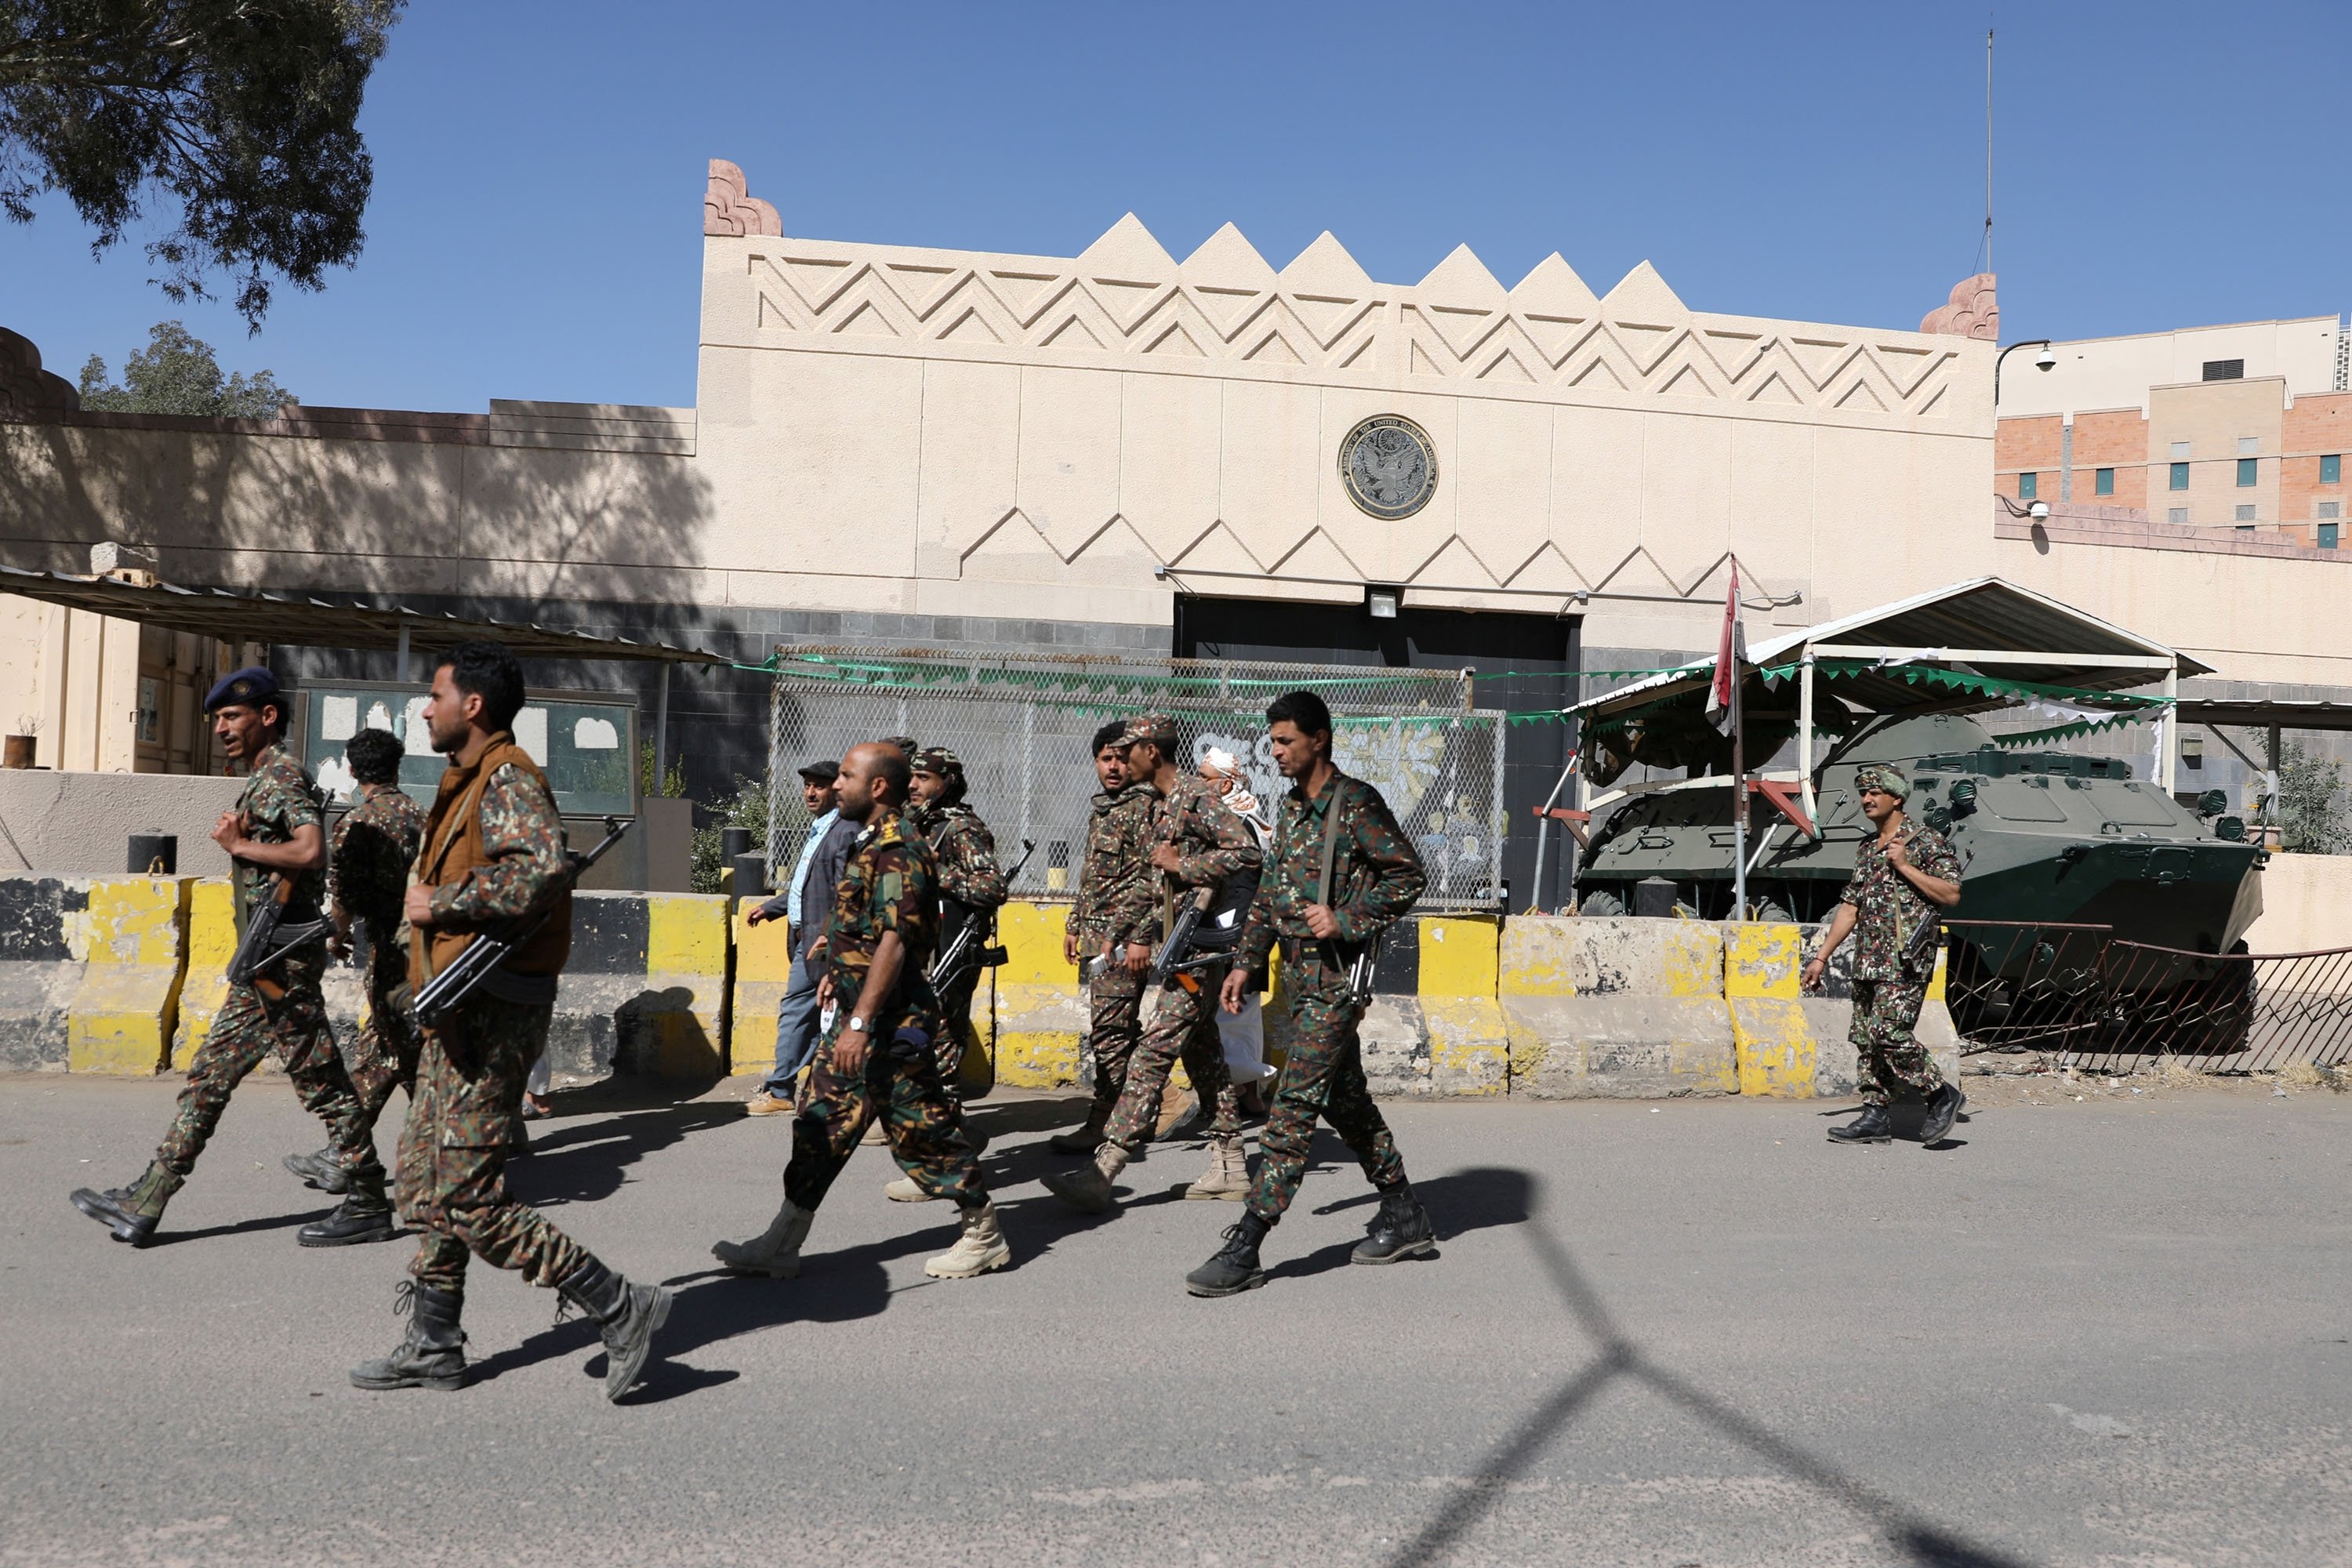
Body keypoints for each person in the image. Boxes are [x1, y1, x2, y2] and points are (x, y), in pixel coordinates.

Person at [349, 642, 670, 1401]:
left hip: (492, 1014)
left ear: (474, 706)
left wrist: (441, 900)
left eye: (436, 694)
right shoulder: (464, 782)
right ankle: (433, 1340)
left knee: (468, 1194)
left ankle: (619, 1301)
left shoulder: (506, 777)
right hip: (455, 1011)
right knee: (427, 1179)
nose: (424, 708)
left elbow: (540, 867)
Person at [71, 667, 386, 1249]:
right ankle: (148, 1198)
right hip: (268, 958)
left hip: (280, 961)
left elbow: (311, 849)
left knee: (313, 1082)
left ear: (267, 716)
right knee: (218, 1080)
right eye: (217, 719)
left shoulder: (280, 776)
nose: (221, 728)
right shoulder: (267, 777)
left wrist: (239, 845)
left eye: (232, 717)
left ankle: (368, 1198)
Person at [711, 742, 1011, 1282]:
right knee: (819, 1127)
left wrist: (859, 1020)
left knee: (922, 1132)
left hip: (888, 1023)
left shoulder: (901, 847)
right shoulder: (867, 840)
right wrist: (835, 976)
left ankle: (983, 1234)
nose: (836, 784)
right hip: (856, 1013)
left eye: (846, 776)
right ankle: (783, 1239)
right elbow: (861, 928)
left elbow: (896, 942)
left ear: (877, 787)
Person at [1188, 690, 1432, 1298]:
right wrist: (1246, 963)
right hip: (1299, 979)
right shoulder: (1292, 808)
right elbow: (1271, 892)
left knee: (1292, 1105)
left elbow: (1408, 873)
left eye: (1285, 741)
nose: (1274, 753)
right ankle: (1405, 1215)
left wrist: (1346, 919)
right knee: (1345, 1101)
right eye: (1272, 742)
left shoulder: (1356, 806)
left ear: (1319, 738)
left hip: (1335, 983)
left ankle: (1248, 1241)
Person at [1044, 713, 1260, 1214]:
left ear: (1151, 752)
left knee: (1152, 1050)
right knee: (1203, 1053)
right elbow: (1152, 880)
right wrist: (1119, 928)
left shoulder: (1198, 797)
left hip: (1203, 947)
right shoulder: (1166, 806)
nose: (1121, 761)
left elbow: (1247, 853)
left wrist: (1184, 866)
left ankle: (1104, 1170)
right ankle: (1229, 1165)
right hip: (1181, 944)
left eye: (1128, 751)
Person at [284, 726, 427, 1245]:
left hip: (392, 954)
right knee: (386, 1051)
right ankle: (347, 1152)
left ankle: (450, 1154)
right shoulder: (418, 816)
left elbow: (341, 894)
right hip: (425, 949)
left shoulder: (355, 824)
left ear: (350, 769)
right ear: (397, 766)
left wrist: (333, 938)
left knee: (401, 1054)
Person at [1802, 764, 1966, 1145]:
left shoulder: (1926, 842)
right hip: (1868, 959)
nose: (1866, 800)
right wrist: (1822, 956)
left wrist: (1905, 866)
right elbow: (1850, 907)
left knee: (1888, 1032)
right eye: (1863, 794)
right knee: (1866, 1039)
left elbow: (1952, 895)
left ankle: (1941, 1094)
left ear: (1897, 798)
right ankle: (1875, 1115)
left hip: (1905, 959)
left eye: (1875, 793)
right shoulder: (1865, 849)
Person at [1051, 721, 1154, 1155]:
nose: (1113, 767)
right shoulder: (1107, 808)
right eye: (1105, 758)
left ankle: (1106, 1124)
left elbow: (1152, 879)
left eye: (1120, 758)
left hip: (1122, 940)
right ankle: (1151, 1108)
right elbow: (1093, 877)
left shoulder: (1143, 808)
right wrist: (1076, 923)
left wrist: (1140, 936)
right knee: (1119, 1031)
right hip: (1097, 939)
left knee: (1109, 1033)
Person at [742, 760, 857, 1116]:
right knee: (812, 1014)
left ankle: (783, 1090)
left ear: (836, 790)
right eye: (807, 785)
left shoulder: (843, 831)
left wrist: (829, 935)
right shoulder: (819, 829)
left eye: (819, 786)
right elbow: (806, 885)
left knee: (801, 1011)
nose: (810, 792)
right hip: (805, 938)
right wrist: (773, 908)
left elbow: (845, 893)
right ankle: (808, 1090)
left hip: (822, 942)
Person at [903, 747, 1008, 1088]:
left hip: (950, 948)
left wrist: (938, 870)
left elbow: (992, 889)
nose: (913, 785)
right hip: (917, 945)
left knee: (944, 1027)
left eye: (924, 778)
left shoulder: (961, 828)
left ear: (947, 782)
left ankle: (944, 1111)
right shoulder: (918, 823)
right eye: (912, 777)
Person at [1199, 746, 1273, 1116]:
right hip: (1228, 927)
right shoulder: (1229, 817)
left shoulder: (1240, 822)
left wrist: (1234, 932)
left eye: (1205, 778)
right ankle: (1241, 1090)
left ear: (1226, 784)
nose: (1198, 783)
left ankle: (1245, 1090)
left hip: (1236, 929)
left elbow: (1246, 885)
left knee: (1239, 1014)